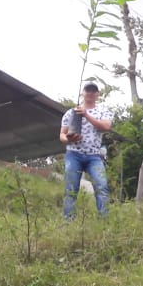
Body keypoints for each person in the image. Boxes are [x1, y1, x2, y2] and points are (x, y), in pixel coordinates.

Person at [59, 82, 113, 220]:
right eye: (87, 90)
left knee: (102, 187)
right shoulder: (71, 112)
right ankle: (68, 222)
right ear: (82, 93)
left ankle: (104, 222)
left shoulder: (103, 111)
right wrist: (69, 139)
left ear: (97, 95)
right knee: (71, 189)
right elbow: (62, 135)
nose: (90, 93)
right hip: (73, 154)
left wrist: (86, 115)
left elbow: (107, 126)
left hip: (94, 156)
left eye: (93, 91)